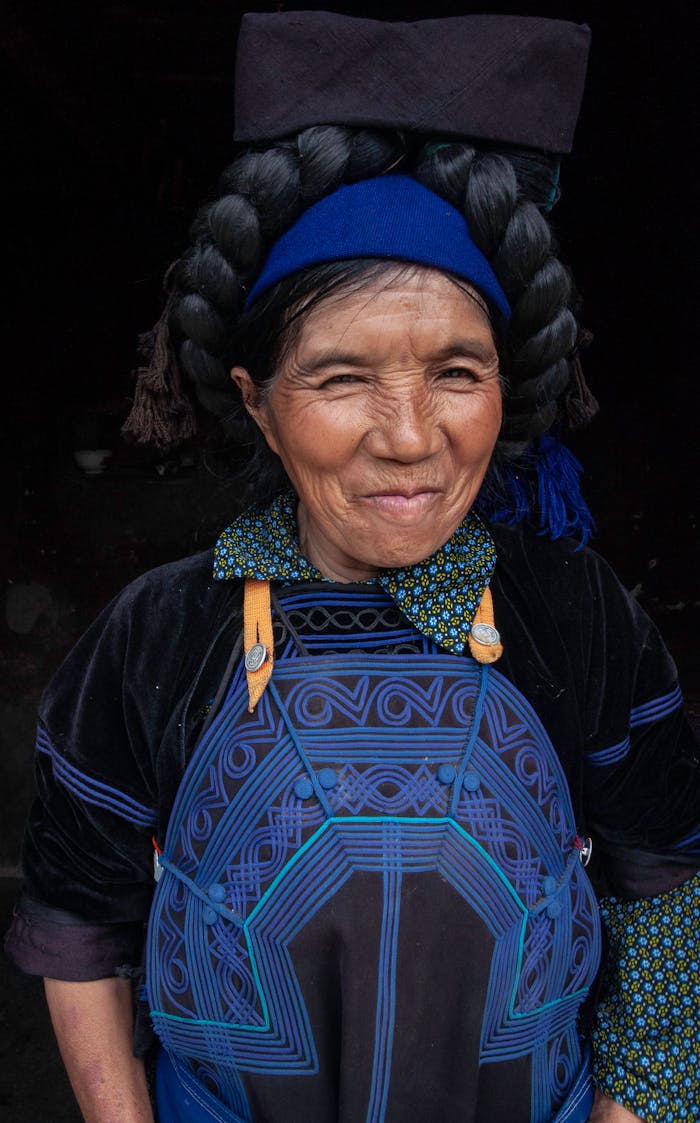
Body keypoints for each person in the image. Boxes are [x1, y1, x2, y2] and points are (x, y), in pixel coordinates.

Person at [5, 11, 699, 1123]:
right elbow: (79, 920)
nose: (410, 436)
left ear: (502, 390)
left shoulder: (572, 615)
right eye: (340, 379)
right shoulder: (161, 633)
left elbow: (663, 886)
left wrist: (632, 1111)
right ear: (257, 404)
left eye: (455, 371)